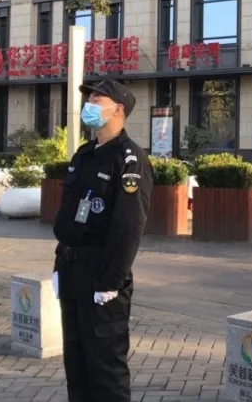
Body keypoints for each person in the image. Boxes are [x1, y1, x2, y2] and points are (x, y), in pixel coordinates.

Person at [52, 79, 153, 402]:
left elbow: (128, 227)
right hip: (71, 269)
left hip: (101, 274)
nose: (89, 105)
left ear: (118, 109)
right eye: (89, 99)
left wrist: (111, 281)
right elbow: (69, 214)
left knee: (105, 365)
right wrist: (59, 265)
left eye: (97, 99)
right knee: (76, 361)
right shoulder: (84, 154)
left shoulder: (129, 159)